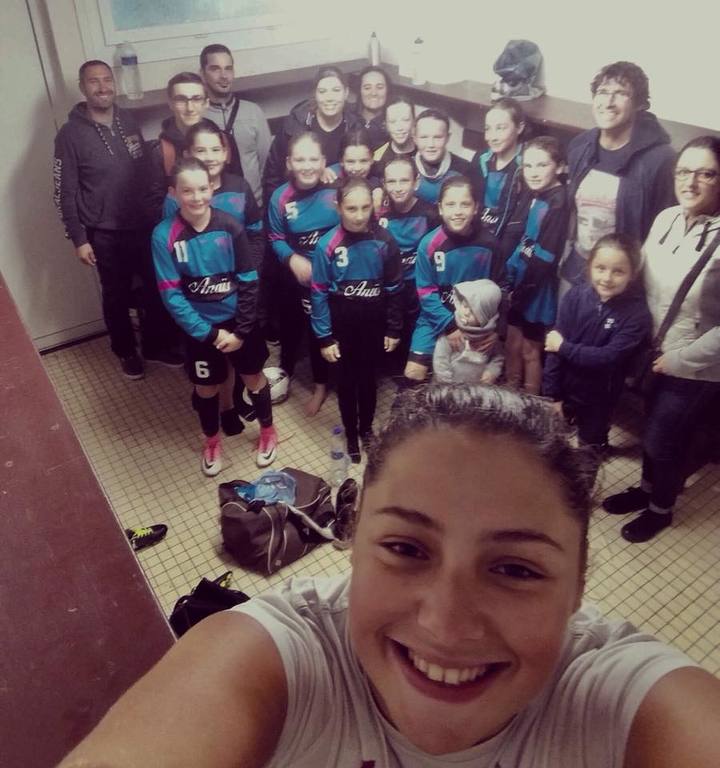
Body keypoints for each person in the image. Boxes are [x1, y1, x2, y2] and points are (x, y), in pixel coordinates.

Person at [57, 384, 720, 767]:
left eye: (515, 568)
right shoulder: (280, 659)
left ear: (578, 585)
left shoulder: (616, 699)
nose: (446, 623)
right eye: (405, 548)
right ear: (351, 541)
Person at [602, 136, 720, 543]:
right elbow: (643, 279)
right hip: (654, 352)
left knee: (661, 438)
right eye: (684, 171)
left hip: (697, 365)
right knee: (655, 427)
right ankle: (646, 489)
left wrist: (681, 360)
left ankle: (661, 509)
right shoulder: (667, 218)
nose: (690, 182)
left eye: (706, 174)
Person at [53, 59, 180, 380]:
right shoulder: (69, 135)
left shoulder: (127, 119)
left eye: (107, 79)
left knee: (154, 288)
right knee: (116, 296)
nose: (102, 87)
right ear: (82, 88)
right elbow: (64, 191)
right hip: (104, 232)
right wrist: (79, 238)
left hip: (143, 225)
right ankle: (126, 351)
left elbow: (145, 171)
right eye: (93, 81)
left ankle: (154, 346)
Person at [152, 157, 278, 475]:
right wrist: (208, 333)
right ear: (173, 193)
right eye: (187, 191)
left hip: (239, 322)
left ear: (211, 188)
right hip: (201, 328)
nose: (196, 197)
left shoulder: (230, 226)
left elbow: (249, 281)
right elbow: (172, 295)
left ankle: (267, 431)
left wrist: (241, 331)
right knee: (206, 387)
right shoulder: (163, 235)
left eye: (202, 189)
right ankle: (211, 441)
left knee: (253, 377)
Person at [163, 119, 265, 434]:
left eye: (214, 149)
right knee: (214, 359)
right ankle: (226, 408)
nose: (208, 157)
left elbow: (256, 234)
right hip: (201, 298)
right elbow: (172, 245)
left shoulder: (239, 187)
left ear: (226, 152)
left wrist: (251, 273)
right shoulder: (175, 199)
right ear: (187, 155)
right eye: (200, 150)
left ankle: (236, 400)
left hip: (239, 290)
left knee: (243, 357)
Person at [311, 178, 403, 462]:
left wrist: (393, 328)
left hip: (373, 323)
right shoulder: (327, 245)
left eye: (365, 207)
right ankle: (351, 432)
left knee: (368, 379)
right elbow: (318, 294)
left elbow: (394, 289)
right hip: (342, 325)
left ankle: (366, 429)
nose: (360, 215)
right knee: (346, 382)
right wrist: (324, 337)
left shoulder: (385, 241)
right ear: (338, 207)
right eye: (352, 208)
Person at [560, 61, 676, 288]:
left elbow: (664, 236)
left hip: (622, 282)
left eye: (621, 93)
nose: (609, 102)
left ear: (639, 104)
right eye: (603, 92)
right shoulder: (580, 145)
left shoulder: (661, 160)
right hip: (577, 270)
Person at [543, 233, 651, 474]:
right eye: (600, 268)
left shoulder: (637, 315)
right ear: (589, 266)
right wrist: (552, 395)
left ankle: (588, 472)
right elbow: (552, 351)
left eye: (618, 271)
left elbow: (607, 357)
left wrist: (564, 347)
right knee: (553, 440)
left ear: (632, 274)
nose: (607, 278)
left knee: (589, 448)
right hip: (565, 388)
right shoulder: (575, 297)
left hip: (599, 397)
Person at [267, 132, 340, 415]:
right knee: (300, 325)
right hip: (300, 277)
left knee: (329, 329)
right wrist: (292, 258)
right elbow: (275, 237)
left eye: (313, 159)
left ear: (324, 161)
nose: (307, 166)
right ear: (289, 162)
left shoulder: (337, 183)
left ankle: (329, 382)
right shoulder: (280, 197)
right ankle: (295, 374)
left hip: (337, 275)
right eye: (300, 159)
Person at [403, 176, 501, 384]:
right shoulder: (429, 244)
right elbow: (425, 292)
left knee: (470, 380)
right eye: (450, 204)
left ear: (476, 208)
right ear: (440, 208)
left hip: (475, 322)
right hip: (435, 317)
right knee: (413, 374)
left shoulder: (490, 244)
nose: (457, 211)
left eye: (465, 204)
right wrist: (449, 325)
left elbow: (501, 290)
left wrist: (497, 330)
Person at [502, 136, 570, 394]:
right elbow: (524, 242)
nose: (533, 172)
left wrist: (521, 293)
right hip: (521, 280)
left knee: (530, 350)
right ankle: (510, 392)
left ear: (559, 167)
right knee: (511, 342)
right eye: (528, 166)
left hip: (536, 290)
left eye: (542, 165)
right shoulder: (535, 195)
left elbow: (545, 258)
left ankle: (530, 402)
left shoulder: (558, 202)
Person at [262, 65, 363, 202]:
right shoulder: (294, 125)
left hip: (342, 204)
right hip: (298, 203)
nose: (329, 98)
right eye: (322, 91)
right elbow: (273, 175)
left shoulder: (355, 127)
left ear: (346, 93)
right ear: (315, 94)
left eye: (336, 90)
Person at [377, 156, 439, 374]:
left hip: (419, 285)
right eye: (391, 181)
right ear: (384, 184)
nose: (398, 187)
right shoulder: (379, 213)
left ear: (416, 182)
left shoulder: (430, 214)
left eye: (404, 180)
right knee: (390, 331)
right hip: (390, 286)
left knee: (415, 329)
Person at [200, 43, 272, 206]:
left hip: (254, 205)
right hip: (211, 208)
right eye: (215, 69)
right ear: (202, 74)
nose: (224, 76)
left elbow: (267, 164)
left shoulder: (253, 112)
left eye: (228, 68)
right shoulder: (198, 117)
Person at [148, 72, 210, 221]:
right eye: (181, 99)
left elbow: (235, 190)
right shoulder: (160, 152)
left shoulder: (222, 141)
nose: (190, 108)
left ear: (206, 103)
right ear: (170, 103)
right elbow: (155, 208)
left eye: (196, 99)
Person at [468, 97, 526, 238]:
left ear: (519, 128)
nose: (492, 137)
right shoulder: (481, 159)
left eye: (500, 128)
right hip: (478, 235)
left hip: (507, 239)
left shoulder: (527, 166)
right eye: (488, 129)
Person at [432, 279, 504, 384]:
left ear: (486, 314)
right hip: (449, 386)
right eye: (464, 306)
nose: (466, 312)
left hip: (478, 389)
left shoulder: (490, 336)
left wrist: (492, 372)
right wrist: (446, 384)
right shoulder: (451, 334)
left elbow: (498, 358)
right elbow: (440, 360)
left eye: (473, 311)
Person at [413, 109, 470, 204]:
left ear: (447, 138)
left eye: (437, 137)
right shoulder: (406, 168)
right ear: (415, 139)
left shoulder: (465, 169)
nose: (431, 144)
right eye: (424, 137)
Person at [373, 96, 416, 176]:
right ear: (385, 124)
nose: (399, 128)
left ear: (414, 121)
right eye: (393, 121)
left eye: (405, 120)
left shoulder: (424, 153)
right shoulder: (377, 157)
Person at [355, 65, 391, 150]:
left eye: (380, 87)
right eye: (367, 88)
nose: (374, 93)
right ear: (360, 91)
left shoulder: (393, 124)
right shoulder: (348, 117)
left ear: (387, 90)